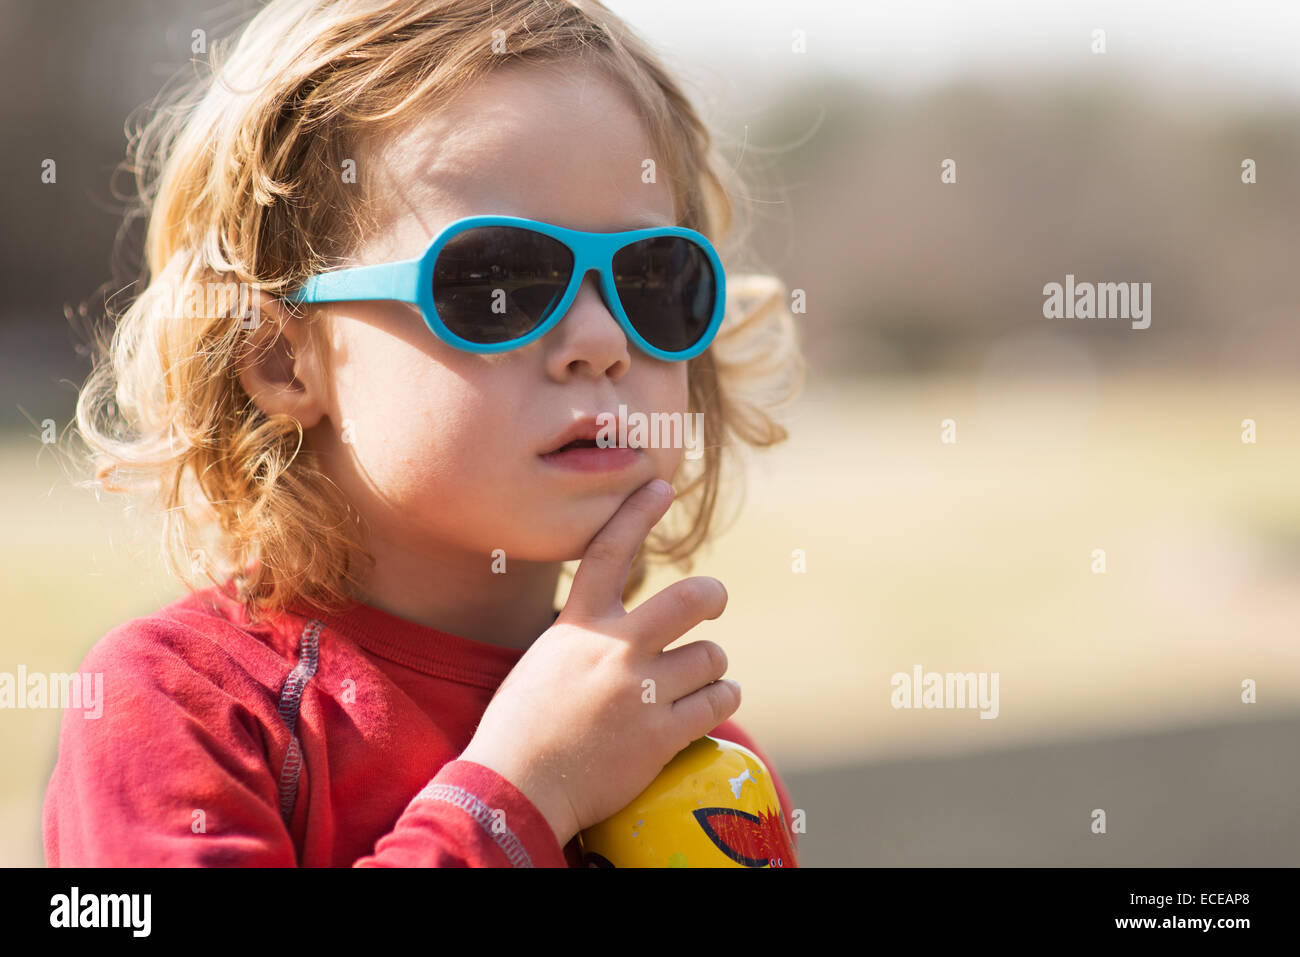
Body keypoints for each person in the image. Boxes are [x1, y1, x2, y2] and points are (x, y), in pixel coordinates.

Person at [46, 0, 805, 867]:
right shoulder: (182, 702)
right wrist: (519, 796)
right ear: (282, 358)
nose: (600, 340)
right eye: (499, 281)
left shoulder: (679, 733)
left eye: (650, 278)